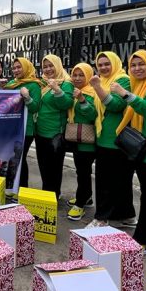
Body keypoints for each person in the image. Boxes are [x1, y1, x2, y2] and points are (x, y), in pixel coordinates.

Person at [110, 50, 146, 254]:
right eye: (133, 65)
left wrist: (125, 94)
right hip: (141, 146)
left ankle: (142, 239)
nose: (137, 68)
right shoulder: (138, 84)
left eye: (141, 64)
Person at [87, 51, 135, 228]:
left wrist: (98, 88)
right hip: (104, 139)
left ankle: (101, 219)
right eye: (100, 65)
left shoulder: (122, 80)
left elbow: (116, 105)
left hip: (116, 140)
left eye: (107, 64)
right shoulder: (104, 81)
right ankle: (127, 215)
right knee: (119, 181)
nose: (103, 67)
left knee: (106, 182)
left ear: (115, 63)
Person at [30, 54, 73, 197]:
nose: (48, 69)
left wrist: (57, 89)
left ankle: (54, 194)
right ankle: (46, 194)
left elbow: (66, 104)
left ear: (58, 66)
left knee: (54, 167)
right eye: (45, 66)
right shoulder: (42, 83)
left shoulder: (65, 83)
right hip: (40, 131)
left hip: (55, 134)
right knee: (43, 166)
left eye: (51, 66)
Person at [65, 63, 97, 221]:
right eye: (74, 75)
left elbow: (92, 115)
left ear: (89, 76)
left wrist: (82, 99)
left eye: (81, 75)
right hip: (77, 137)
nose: (77, 78)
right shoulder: (74, 90)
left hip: (87, 139)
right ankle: (87, 197)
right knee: (81, 171)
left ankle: (80, 204)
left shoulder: (92, 92)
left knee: (84, 172)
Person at [6, 57, 43, 188]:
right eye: (14, 67)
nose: (16, 70)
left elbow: (35, 107)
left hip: (26, 129)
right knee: (13, 157)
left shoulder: (34, 85)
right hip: (12, 127)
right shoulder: (12, 83)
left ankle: (21, 188)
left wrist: (27, 97)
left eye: (19, 67)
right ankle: (12, 186)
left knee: (20, 158)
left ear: (26, 67)